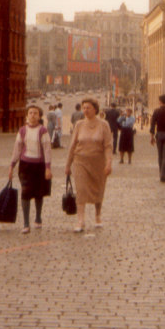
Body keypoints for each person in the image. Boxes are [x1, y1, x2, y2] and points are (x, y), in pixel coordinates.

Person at [65, 97, 113, 232]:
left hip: (98, 162)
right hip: (80, 161)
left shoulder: (104, 125)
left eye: (88, 108)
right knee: (81, 190)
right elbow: (72, 145)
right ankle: (81, 220)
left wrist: (108, 163)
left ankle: (98, 215)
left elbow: (108, 146)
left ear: (95, 109)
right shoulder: (79, 124)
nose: (85, 110)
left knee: (98, 189)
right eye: (84, 108)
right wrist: (68, 164)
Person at [8, 104, 52, 233]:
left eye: (35, 113)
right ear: (27, 115)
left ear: (39, 116)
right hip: (25, 165)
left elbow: (47, 150)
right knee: (25, 193)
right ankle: (26, 223)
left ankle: (38, 217)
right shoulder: (22, 131)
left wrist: (48, 168)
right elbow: (17, 148)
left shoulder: (43, 131)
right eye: (30, 113)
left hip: (39, 165)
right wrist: (12, 165)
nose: (33, 115)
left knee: (39, 193)